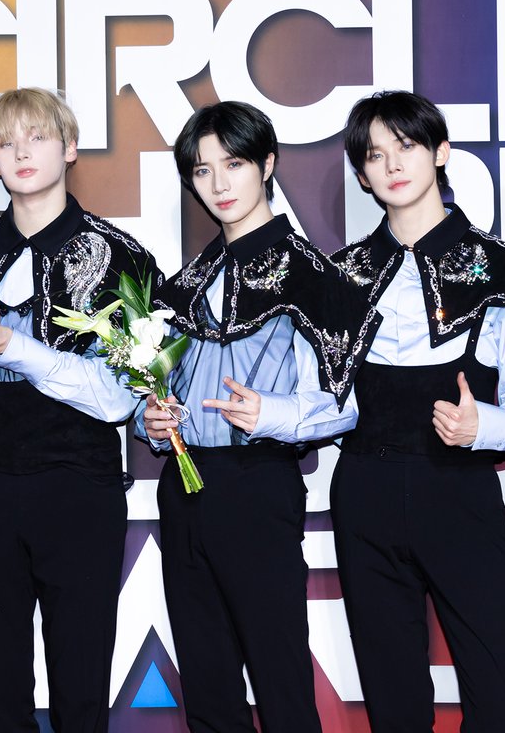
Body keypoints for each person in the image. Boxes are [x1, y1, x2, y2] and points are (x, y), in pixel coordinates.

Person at [138, 101, 380, 733]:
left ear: (267, 165)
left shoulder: (314, 276)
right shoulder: (184, 284)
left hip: (258, 483)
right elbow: (150, 385)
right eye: (201, 171)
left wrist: (268, 413)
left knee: (279, 677)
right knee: (207, 682)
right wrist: (150, 420)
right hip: (184, 486)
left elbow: (346, 405)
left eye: (234, 164)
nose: (218, 184)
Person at [0, 88, 157, 733]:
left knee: (81, 690)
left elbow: (120, 396)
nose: (21, 152)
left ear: (70, 148)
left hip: (79, 488)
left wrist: (19, 350)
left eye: (37, 137)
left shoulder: (122, 256)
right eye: (6, 142)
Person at [330, 90, 505, 732]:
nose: (393, 165)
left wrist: (486, 427)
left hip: (458, 488)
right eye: (375, 155)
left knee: (497, 678)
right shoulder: (339, 276)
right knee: (391, 691)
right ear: (361, 175)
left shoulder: (502, 268)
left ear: (441, 152)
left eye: (407, 146)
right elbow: (324, 400)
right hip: (365, 489)